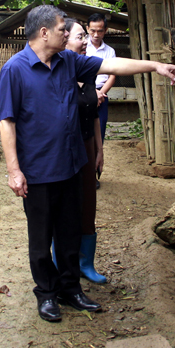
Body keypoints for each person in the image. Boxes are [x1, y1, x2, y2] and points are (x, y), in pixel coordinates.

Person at [0, 5, 175, 322]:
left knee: (70, 233)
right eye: (62, 28)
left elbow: (113, 64)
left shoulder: (69, 61)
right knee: (41, 239)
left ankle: (71, 289)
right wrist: (14, 170)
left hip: (72, 165)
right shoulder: (15, 70)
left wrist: (155, 66)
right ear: (44, 33)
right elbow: (7, 122)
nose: (67, 32)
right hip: (39, 172)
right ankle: (47, 294)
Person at [64, 18, 106, 284]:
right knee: (66, 205)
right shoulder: (58, 75)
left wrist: (100, 150)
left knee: (88, 204)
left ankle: (86, 263)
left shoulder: (87, 76)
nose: (86, 42)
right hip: (66, 149)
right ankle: (62, 262)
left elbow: (94, 116)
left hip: (89, 145)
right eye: (80, 37)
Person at [86, 13, 116, 148]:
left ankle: (98, 158)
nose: (96, 34)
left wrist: (100, 94)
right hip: (84, 92)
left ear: (105, 31)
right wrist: (92, 93)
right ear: (87, 29)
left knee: (101, 127)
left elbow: (112, 75)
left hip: (102, 96)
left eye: (100, 31)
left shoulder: (110, 51)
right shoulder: (82, 47)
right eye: (93, 30)